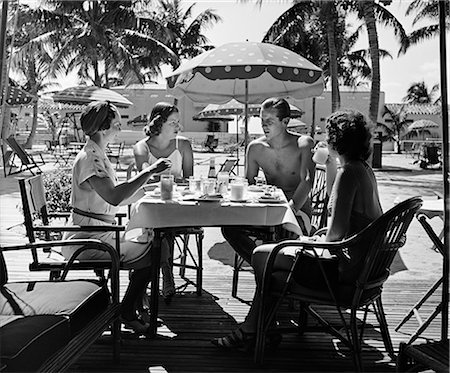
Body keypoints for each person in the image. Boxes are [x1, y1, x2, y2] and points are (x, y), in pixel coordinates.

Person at [212, 108, 383, 350]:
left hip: (345, 271)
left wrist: (307, 242)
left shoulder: (349, 174)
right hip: (365, 267)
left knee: (264, 256)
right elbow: (344, 227)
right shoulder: (362, 170)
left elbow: (335, 235)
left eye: (328, 134)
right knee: (270, 258)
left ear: (337, 140)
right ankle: (260, 327)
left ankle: (255, 329)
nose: (324, 139)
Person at [61, 101, 171, 335]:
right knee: (158, 250)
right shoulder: (91, 158)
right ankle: (128, 310)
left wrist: (145, 189)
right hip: (87, 239)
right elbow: (113, 197)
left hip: (97, 231)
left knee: (157, 246)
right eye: (117, 125)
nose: (120, 129)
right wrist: (149, 171)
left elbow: (113, 198)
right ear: (103, 128)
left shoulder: (95, 153)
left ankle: (131, 307)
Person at [221, 97, 315, 266]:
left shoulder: (303, 144)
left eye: (269, 121)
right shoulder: (256, 148)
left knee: (282, 233)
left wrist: (290, 210)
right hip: (267, 210)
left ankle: (266, 272)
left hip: (297, 211)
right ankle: (264, 268)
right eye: (262, 120)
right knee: (229, 228)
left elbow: (307, 181)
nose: (264, 126)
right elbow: (248, 184)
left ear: (285, 121)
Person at [133, 102, 194, 301]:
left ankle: (156, 274)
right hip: (151, 205)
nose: (178, 127)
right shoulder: (142, 147)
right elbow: (144, 176)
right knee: (159, 222)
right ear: (159, 123)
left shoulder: (183, 144)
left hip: (178, 206)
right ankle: (166, 271)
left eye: (178, 122)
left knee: (165, 222)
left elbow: (190, 180)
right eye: (173, 122)